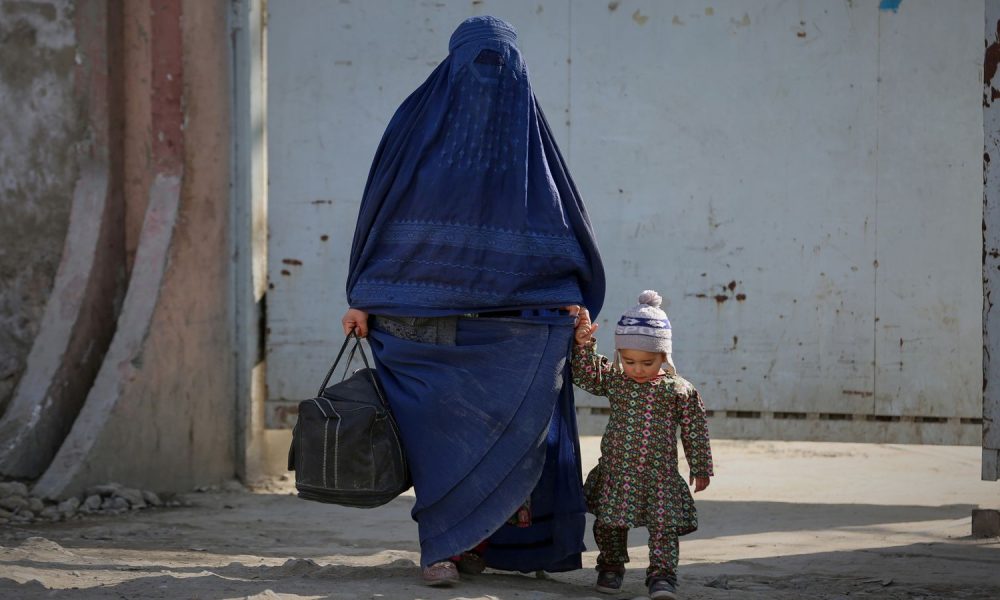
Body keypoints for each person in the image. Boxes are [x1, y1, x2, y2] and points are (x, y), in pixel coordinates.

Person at [340, 15, 605, 586]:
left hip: (507, 327)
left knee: (508, 435)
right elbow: (379, 211)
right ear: (454, 63)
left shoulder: (528, 140)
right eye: (477, 64)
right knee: (438, 444)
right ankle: (439, 550)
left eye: (500, 67)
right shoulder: (413, 128)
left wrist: (567, 298)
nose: (490, 80)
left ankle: (481, 544)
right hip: (415, 320)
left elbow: (559, 226)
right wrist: (363, 295)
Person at [571, 291, 713, 600]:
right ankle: (610, 566)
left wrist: (701, 468)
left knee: (665, 529)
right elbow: (585, 375)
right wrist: (583, 344)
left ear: (664, 356)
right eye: (629, 360)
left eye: (647, 362)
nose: (637, 369)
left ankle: (662, 576)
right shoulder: (618, 381)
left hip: (659, 476)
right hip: (617, 471)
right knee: (609, 524)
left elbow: (695, 430)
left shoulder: (678, 390)